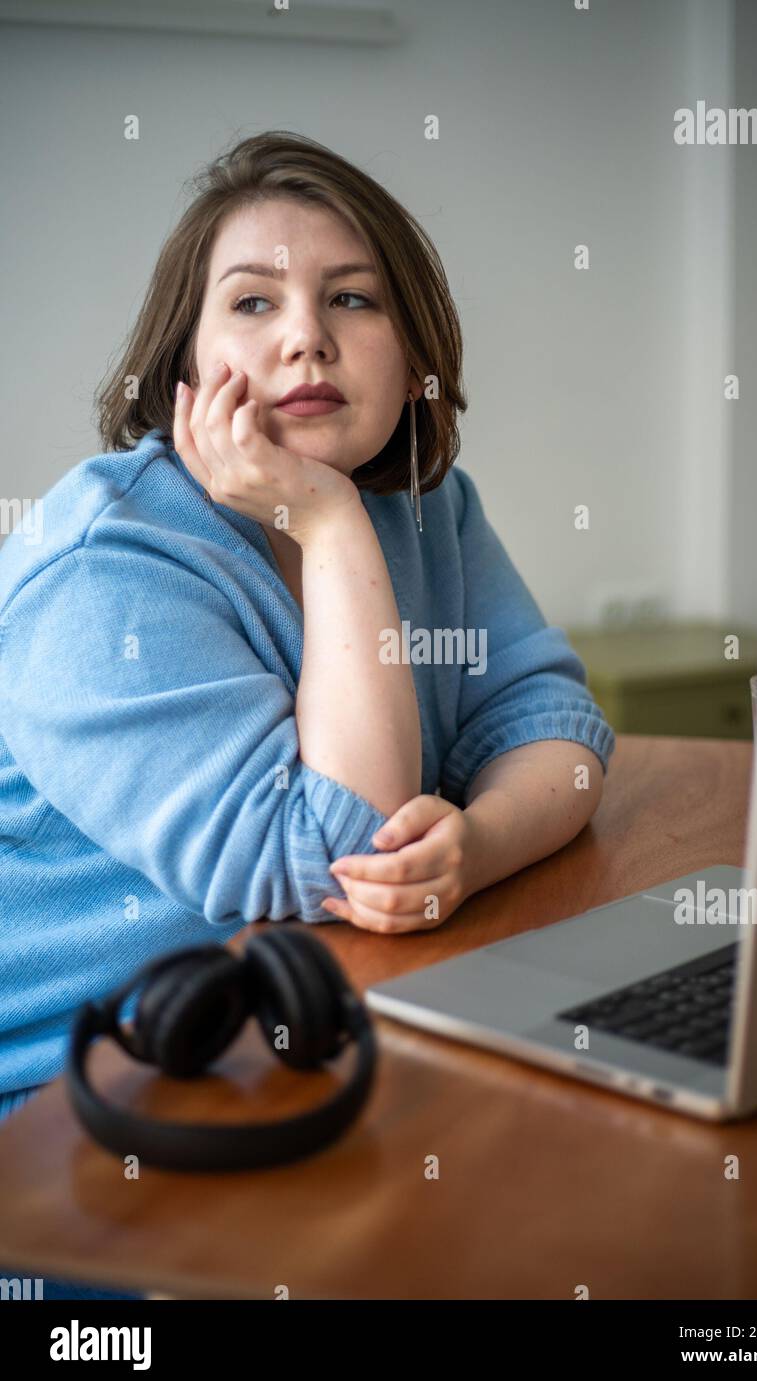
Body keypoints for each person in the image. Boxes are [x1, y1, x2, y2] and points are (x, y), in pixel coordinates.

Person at [0, 131, 614, 1295]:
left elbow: (551, 719)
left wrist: (476, 846)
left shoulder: (430, 511)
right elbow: (333, 857)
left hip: (295, 1046)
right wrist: (321, 524)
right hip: (66, 1120)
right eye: (252, 301)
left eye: (351, 297)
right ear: (181, 362)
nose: (306, 336)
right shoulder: (102, 568)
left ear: (409, 345)